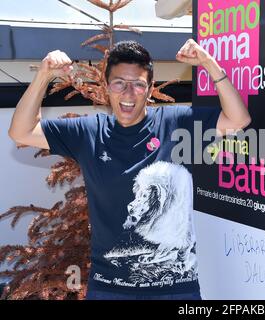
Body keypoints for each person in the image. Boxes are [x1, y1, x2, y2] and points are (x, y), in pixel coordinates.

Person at [8, 39, 250, 300]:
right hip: (109, 289)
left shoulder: (177, 124)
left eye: (138, 84)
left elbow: (238, 118)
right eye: (119, 83)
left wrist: (208, 64)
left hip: (174, 289)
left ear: (150, 89)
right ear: (106, 87)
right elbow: (20, 132)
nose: (128, 93)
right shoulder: (89, 132)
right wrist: (43, 76)